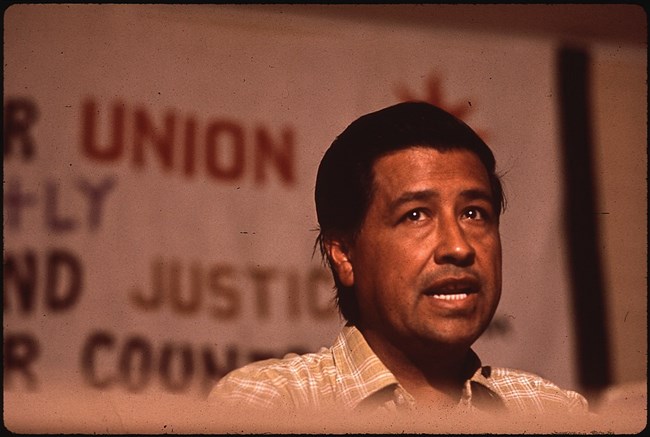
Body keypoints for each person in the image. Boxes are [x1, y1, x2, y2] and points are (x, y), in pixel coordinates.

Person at [208, 101, 590, 431]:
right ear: (343, 253)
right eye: (416, 215)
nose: (458, 247)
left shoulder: (550, 411)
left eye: (474, 213)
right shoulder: (276, 404)